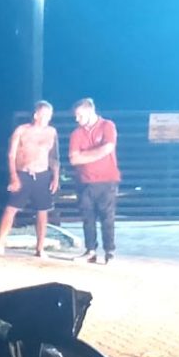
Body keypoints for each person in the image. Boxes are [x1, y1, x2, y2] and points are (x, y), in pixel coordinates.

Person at [0, 101, 60, 257]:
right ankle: (0, 245)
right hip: (23, 173)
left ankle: (40, 248)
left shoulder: (52, 132)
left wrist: (56, 177)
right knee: (11, 208)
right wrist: (14, 176)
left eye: (49, 115)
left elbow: (54, 157)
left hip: (42, 174)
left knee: (42, 211)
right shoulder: (22, 130)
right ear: (36, 115)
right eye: (44, 114)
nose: (47, 118)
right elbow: (11, 155)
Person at [68, 97, 120, 264]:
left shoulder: (107, 126)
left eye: (80, 115)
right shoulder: (76, 133)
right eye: (76, 116)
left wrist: (84, 156)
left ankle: (109, 251)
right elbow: (74, 159)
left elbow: (108, 148)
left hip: (107, 179)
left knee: (107, 217)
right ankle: (90, 251)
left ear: (90, 111)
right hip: (84, 181)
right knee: (87, 218)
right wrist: (96, 154)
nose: (77, 119)